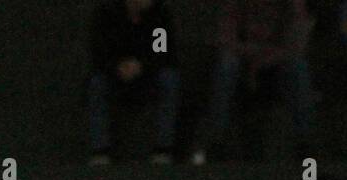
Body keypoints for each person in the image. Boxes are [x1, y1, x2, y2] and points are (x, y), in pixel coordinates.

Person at [190, 0, 315, 163]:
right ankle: (216, 140)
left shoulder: (292, 4)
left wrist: (263, 59)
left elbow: (295, 45)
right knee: (226, 67)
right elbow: (225, 39)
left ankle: (305, 142)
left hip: (276, 62)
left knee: (298, 67)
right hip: (244, 61)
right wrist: (254, 56)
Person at [87, 0, 180, 164]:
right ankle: (99, 150)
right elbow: (99, 51)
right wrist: (117, 67)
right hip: (115, 75)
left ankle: (163, 149)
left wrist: (141, 65)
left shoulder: (159, 15)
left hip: (148, 75)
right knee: (96, 83)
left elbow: (163, 53)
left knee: (168, 79)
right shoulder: (106, 14)